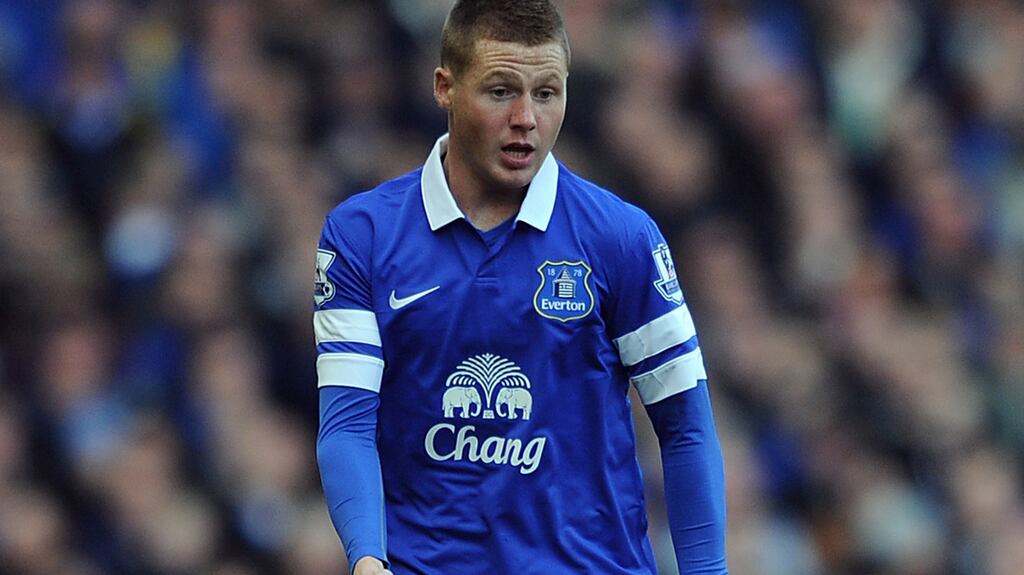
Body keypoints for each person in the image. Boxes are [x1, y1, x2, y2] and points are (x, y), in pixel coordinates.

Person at [313, 1, 727, 573]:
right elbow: (347, 424)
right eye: (502, 91)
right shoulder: (363, 235)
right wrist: (365, 557)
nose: (526, 119)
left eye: (547, 92)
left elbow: (685, 428)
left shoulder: (622, 238)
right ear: (445, 88)